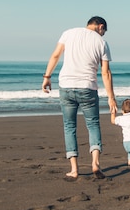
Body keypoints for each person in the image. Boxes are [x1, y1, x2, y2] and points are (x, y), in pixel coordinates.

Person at [42, 16, 117, 180]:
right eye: (104, 31)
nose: (103, 34)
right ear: (101, 26)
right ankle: (95, 163)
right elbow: (105, 73)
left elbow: (55, 55)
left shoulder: (68, 33)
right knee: (93, 125)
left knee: (69, 126)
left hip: (66, 86)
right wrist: (111, 97)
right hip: (87, 87)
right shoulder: (102, 43)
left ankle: (74, 169)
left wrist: (47, 76)